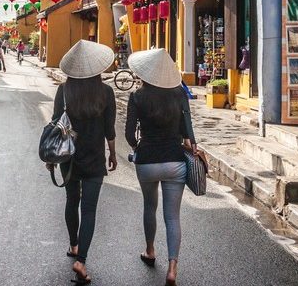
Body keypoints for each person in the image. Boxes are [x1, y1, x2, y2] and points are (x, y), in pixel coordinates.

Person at [125, 48, 198, 286]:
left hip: (146, 161)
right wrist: (189, 145)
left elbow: (128, 133)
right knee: (172, 217)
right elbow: (188, 132)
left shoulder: (137, 96)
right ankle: (172, 268)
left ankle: (149, 250)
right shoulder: (179, 94)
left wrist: (138, 146)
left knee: (149, 206)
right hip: (175, 161)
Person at [47, 40, 117, 285]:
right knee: (89, 210)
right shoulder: (106, 92)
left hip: (68, 158)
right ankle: (82, 261)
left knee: (71, 200)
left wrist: (51, 159)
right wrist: (113, 153)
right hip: (95, 158)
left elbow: (56, 124)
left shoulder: (64, 91)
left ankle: (74, 245)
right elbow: (110, 129)